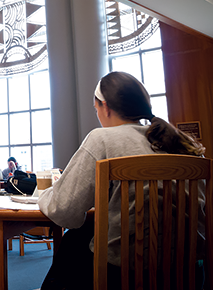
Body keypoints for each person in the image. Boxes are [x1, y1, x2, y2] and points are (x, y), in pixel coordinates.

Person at [38, 71, 206, 290]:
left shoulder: (102, 139)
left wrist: (44, 194)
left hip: (126, 274)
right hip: (190, 272)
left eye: (96, 107)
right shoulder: (183, 144)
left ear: (105, 106)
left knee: (73, 240)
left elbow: (64, 212)